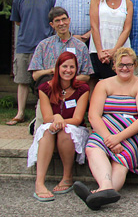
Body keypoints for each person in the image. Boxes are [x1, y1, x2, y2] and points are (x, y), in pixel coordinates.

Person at [74, 47, 138, 210]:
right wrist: (109, 138)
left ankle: (101, 192)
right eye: (121, 65)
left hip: (132, 132)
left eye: (129, 65)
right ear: (114, 66)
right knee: (93, 148)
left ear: (135, 65)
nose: (125, 68)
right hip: (106, 130)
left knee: (121, 161)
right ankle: (105, 189)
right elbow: (94, 116)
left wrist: (119, 138)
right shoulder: (103, 84)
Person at [27, 52, 90, 202]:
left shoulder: (83, 88)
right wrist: (57, 117)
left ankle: (67, 176)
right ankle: (39, 183)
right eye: (64, 66)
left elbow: (77, 118)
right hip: (52, 125)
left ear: (76, 69)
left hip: (74, 128)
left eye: (72, 67)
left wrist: (61, 121)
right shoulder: (44, 88)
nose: (68, 70)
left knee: (65, 132)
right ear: (57, 68)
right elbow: (47, 117)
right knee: (48, 131)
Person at [8, 0, 56, 125]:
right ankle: (20, 113)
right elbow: (17, 20)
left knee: (43, 81)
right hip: (24, 46)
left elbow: (53, 22)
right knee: (22, 80)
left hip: (43, 47)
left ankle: (41, 112)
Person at [89, 0, 133, 81]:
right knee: (98, 83)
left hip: (120, 51)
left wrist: (114, 51)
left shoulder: (127, 3)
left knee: (120, 82)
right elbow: (94, 26)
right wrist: (100, 51)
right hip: (99, 50)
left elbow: (127, 29)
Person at [29, 7, 94, 83]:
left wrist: (67, 80)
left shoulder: (81, 46)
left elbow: (86, 76)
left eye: (64, 19)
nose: (61, 23)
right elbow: (35, 75)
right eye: (57, 21)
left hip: (73, 89)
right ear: (52, 24)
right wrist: (53, 71)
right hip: (50, 88)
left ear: (69, 20)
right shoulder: (43, 45)